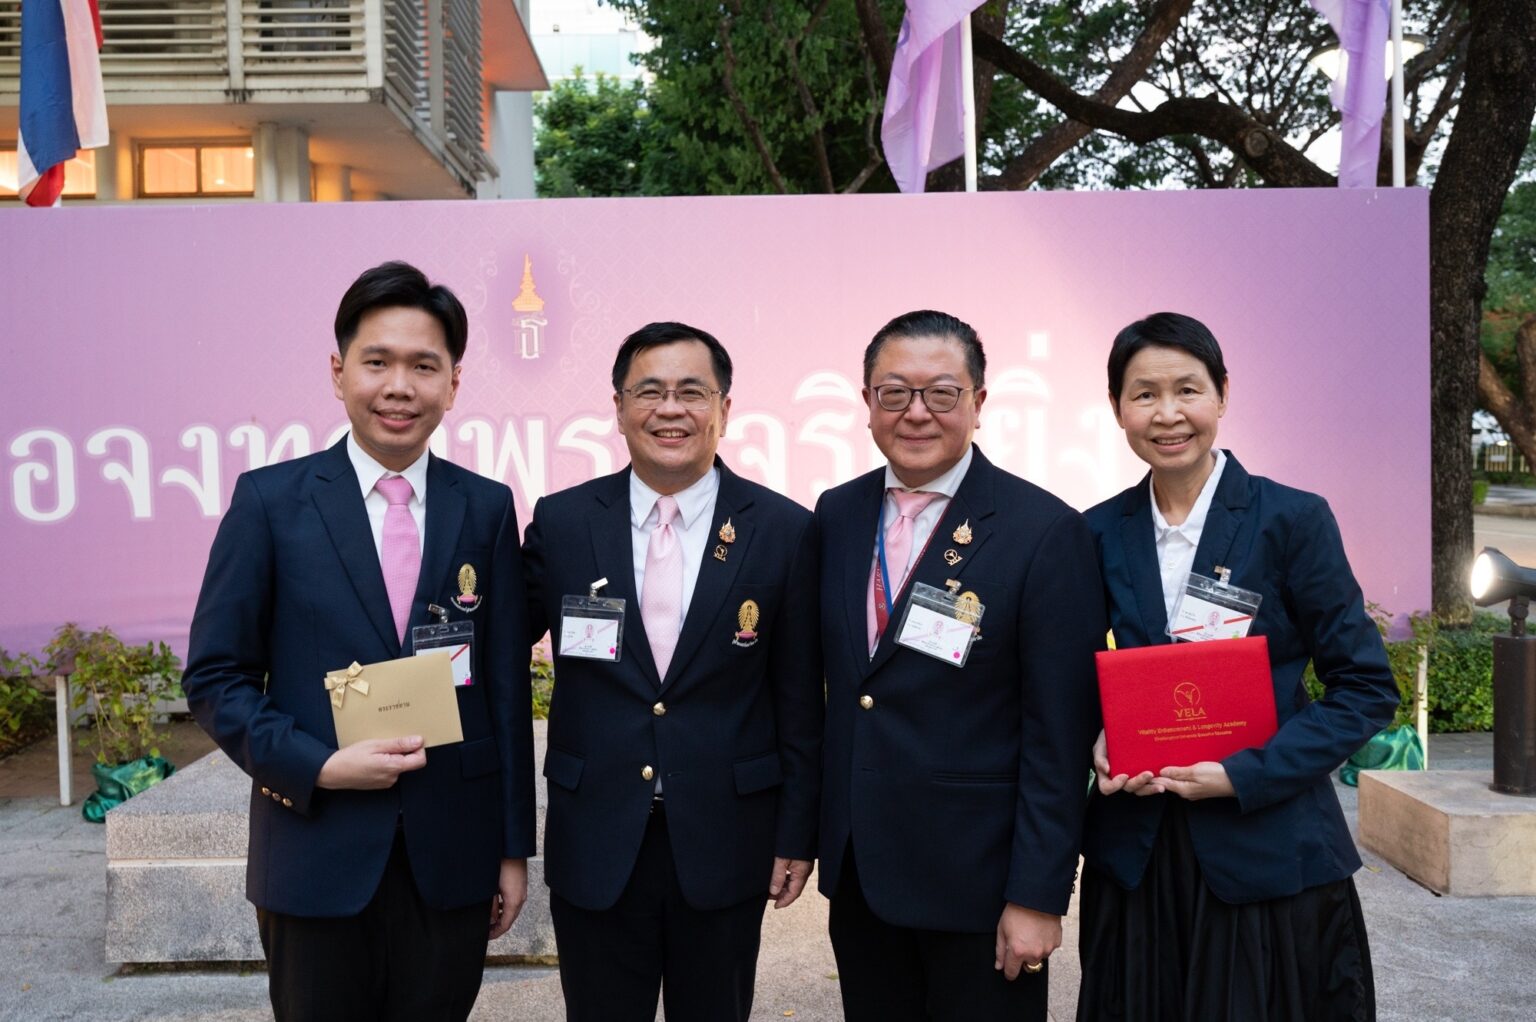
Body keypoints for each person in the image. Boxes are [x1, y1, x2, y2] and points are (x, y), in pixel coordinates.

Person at [182, 261, 535, 1021]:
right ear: (339, 373)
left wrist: (512, 848)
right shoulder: (271, 503)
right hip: (316, 854)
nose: (399, 386)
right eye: (377, 362)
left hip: (453, 857)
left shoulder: (487, 508)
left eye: (423, 365)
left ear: (454, 383)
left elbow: (505, 689)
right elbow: (216, 677)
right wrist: (320, 766)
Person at [1078, 311, 1398, 1021]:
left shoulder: (1290, 520)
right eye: (1144, 394)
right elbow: (1069, 678)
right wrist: (1094, 740)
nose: (1168, 415)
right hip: (1137, 855)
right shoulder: (1095, 530)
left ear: (1222, 393)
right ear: (1117, 408)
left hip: (1267, 853)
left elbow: (1366, 688)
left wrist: (1244, 775)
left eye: (1187, 390)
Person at [520, 321, 822, 1022]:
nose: (670, 409)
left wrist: (795, 834)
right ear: (620, 406)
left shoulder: (782, 529)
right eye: (649, 391)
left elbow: (801, 698)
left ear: (724, 407)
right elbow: (491, 649)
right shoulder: (564, 522)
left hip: (726, 837)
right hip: (596, 833)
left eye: (692, 392)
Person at [814, 310, 1105, 1022]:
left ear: (978, 401)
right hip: (863, 877)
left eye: (941, 393)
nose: (917, 413)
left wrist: (1037, 894)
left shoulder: (1044, 531)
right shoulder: (837, 514)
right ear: (866, 403)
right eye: (894, 393)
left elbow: (1058, 736)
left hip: (977, 884)